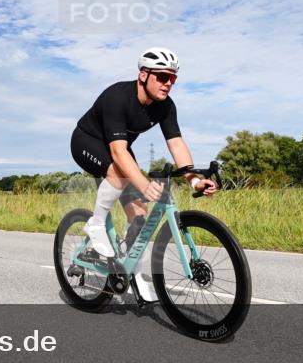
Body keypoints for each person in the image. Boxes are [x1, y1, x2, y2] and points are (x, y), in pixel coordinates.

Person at [70, 47, 217, 302]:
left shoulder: (165, 106)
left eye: (173, 78)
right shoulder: (118, 97)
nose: (168, 83)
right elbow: (117, 152)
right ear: (143, 75)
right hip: (87, 142)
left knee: (139, 216)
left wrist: (193, 178)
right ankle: (95, 224)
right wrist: (144, 184)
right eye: (162, 76)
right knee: (122, 172)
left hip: (120, 149)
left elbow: (176, 143)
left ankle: (134, 275)